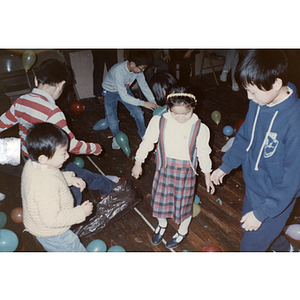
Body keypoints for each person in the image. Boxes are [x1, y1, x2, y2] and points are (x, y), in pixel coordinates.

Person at [211, 50, 300, 252]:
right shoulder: (259, 102)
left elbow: (292, 181)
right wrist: (226, 166)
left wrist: (262, 213)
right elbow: (244, 137)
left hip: (277, 198)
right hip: (254, 186)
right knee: (252, 230)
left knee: (250, 247)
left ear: (276, 84)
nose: (249, 98)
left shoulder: (295, 124)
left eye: (253, 91)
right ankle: (287, 250)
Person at [0, 59, 116, 206]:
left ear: (36, 80)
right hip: (52, 159)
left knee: (69, 176)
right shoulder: (53, 113)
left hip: (29, 157)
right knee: (74, 183)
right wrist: (94, 148)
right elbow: (70, 145)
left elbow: (2, 123)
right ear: (61, 84)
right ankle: (101, 193)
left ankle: (105, 186)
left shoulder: (21, 101)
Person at [132, 86, 215, 249]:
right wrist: (138, 162)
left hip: (185, 174)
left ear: (193, 108)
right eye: (175, 113)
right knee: (160, 201)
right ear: (168, 108)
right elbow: (147, 142)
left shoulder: (200, 128)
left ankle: (183, 230)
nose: (181, 117)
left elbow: (204, 153)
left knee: (183, 204)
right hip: (164, 169)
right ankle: (162, 224)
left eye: (186, 113)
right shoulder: (159, 121)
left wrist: (207, 176)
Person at [22, 122, 92, 251]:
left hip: (41, 227)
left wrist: (69, 179)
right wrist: (80, 212)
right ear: (43, 158)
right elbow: (52, 220)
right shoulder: (44, 185)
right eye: (63, 153)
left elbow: (52, 176)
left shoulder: (33, 164)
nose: (68, 156)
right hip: (54, 234)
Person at [100, 50, 158, 149]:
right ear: (132, 64)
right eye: (141, 68)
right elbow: (124, 97)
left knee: (138, 112)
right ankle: (116, 137)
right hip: (110, 91)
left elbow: (144, 86)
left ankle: (143, 134)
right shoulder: (119, 71)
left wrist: (153, 102)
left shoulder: (138, 70)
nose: (142, 71)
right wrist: (143, 103)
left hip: (124, 89)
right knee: (112, 118)